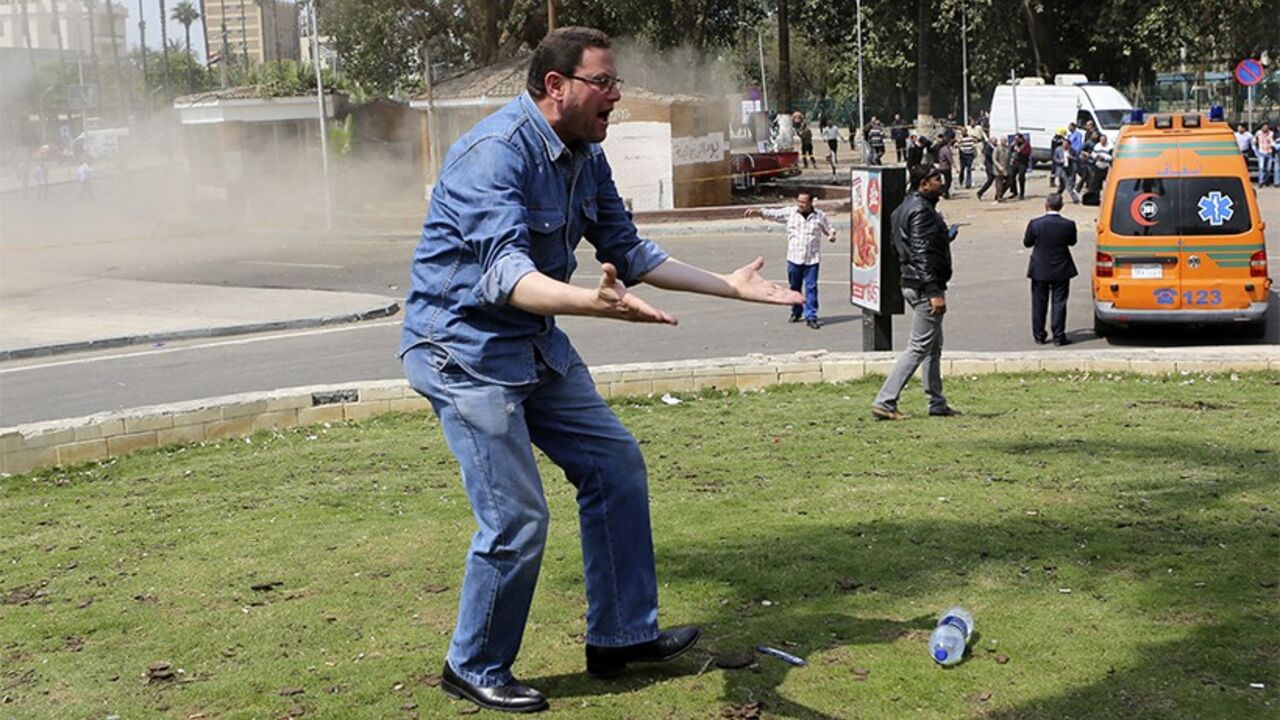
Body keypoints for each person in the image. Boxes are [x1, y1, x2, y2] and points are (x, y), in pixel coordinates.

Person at [399, 27, 804, 714]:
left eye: (617, 82)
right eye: (605, 82)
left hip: (533, 342)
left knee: (615, 466)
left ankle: (620, 637)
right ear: (557, 86)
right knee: (517, 517)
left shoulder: (585, 154)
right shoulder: (494, 155)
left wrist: (728, 287)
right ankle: (473, 664)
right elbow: (506, 275)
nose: (617, 95)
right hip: (463, 351)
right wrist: (590, 302)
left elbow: (628, 249)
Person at [870, 165, 961, 421]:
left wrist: (944, 237)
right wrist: (933, 291)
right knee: (919, 347)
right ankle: (885, 401)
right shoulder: (921, 210)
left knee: (933, 345)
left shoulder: (904, 208)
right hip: (924, 287)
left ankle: (937, 402)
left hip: (911, 282)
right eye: (936, 179)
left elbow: (903, 244)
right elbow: (921, 253)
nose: (942, 182)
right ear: (923, 184)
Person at [744, 191, 837, 329]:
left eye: (804, 202)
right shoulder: (790, 213)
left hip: (812, 260)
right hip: (794, 259)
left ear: (811, 202)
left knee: (811, 287)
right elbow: (773, 214)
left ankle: (811, 316)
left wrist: (831, 235)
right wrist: (757, 212)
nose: (801, 204)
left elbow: (829, 229)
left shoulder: (819, 216)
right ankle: (796, 311)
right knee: (794, 287)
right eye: (799, 201)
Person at [1023, 193, 1078, 346]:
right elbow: (1072, 242)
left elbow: (1027, 243)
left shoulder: (1035, 224)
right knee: (1059, 303)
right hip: (1061, 268)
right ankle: (1059, 336)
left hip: (1040, 268)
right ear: (1061, 206)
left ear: (1046, 205)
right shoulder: (1068, 224)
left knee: (1039, 303)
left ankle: (1039, 335)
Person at [1051, 134, 1079, 203]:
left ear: (1069, 145)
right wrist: (1060, 161)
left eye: (1066, 144)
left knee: (1063, 186)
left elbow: (1077, 159)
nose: (1064, 145)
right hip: (1062, 169)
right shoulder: (1058, 150)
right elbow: (1054, 158)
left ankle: (1057, 196)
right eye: (1063, 144)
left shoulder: (1073, 151)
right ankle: (1075, 199)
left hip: (1070, 169)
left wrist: (1071, 157)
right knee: (1068, 184)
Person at [1253, 123, 1276, 187]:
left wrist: (1271, 141)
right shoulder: (1258, 133)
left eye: (1267, 127)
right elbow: (1253, 142)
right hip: (1261, 152)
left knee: (1268, 168)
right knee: (1261, 168)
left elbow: (1273, 142)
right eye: (1264, 127)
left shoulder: (1271, 133)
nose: (1265, 128)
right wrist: (1255, 151)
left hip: (1269, 153)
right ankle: (1261, 181)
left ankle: (1266, 180)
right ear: (1261, 127)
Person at [936, 135, 954, 199]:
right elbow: (950, 159)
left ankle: (945, 193)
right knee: (948, 181)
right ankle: (944, 192)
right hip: (946, 167)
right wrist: (955, 166)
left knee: (945, 181)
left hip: (941, 166)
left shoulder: (941, 149)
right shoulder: (946, 150)